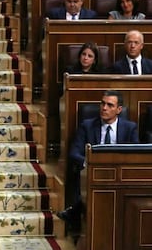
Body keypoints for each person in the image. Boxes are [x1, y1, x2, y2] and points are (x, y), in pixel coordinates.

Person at [58, 90, 139, 235]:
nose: (104, 108)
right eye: (102, 103)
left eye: (110, 105)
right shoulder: (87, 125)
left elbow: (135, 155)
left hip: (119, 175)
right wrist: (88, 163)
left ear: (119, 110)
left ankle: (74, 212)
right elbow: (74, 153)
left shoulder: (130, 128)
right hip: (91, 171)